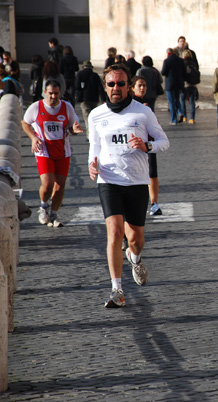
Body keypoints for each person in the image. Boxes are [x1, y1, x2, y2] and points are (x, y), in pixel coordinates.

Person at [88, 64, 170, 308]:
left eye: (121, 83)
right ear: (105, 86)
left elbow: (164, 142)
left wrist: (147, 146)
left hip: (136, 181)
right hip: (108, 179)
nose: (116, 88)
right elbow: (95, 148)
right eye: (111, 84)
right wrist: (91, 165)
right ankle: (117, 289)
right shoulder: (95, 115)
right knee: (114, 232)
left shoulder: (142, 113)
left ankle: (135, 258)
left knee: (136, 239)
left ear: (128, 86)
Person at [21, 80, 83, 227]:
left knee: (60, 185)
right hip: (43, 151)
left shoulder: (67, 107)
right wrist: (33, 137)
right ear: (45, 93)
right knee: (48, 183)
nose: (53, 96)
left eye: (56, 93)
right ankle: (43, 207)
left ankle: (54, 214)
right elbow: (25, 123)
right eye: (50, 93)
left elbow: (72, 128)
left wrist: (75, 130)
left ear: (60, 93)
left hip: (63, 151)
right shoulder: (36, 107)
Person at [131, 76, 163, 216]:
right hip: (135, 144)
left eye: (144, 85)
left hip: (148, 143)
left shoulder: (147, 103)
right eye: (139, 85)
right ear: (132, 88)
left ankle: (154, 203)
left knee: (153, 174)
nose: (142, 88)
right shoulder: (131, 104)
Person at [75, 60, 106, 136]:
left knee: (87, 117)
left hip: (84, 98)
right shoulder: (95, 75)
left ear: (83, 67)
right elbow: (100, 88)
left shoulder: (80, 74)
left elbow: (77, 86)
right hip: (94, 98)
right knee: (94, 116)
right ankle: (94, 133)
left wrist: (78, 97)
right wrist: (103, 99)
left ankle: (89, 135)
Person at [161, 47, 186, 125]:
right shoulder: (181, 60)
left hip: (170, 84)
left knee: (171, 102)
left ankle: (173, 120)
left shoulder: (167, 61)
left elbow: (163, 72)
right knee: (177, 100)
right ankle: (180, 112)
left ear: (168, 53)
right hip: (178, 84)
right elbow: (184, 72)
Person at [182, 49, 200, 124]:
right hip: (193, 84)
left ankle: (184, 116)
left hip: (185, 84)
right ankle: (192, 118)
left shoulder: (183, 63)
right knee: (192, 101)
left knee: (182, 100)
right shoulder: (194, 64)